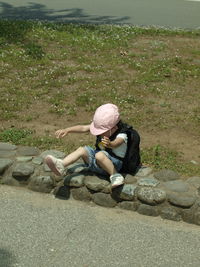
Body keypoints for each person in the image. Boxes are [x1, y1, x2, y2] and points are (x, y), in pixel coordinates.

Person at [45, 103, 129, 188]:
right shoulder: (107, 128)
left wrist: (110, 144)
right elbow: (83, 128)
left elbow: (117, 143)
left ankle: (116, 176)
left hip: (113, 165)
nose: (99, 133)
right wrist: (67, 130)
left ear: (114, 128)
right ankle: (61, 165)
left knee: (99, 155)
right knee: (82, 150)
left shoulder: (122, 134)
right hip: (98, 161)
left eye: (102, 131)